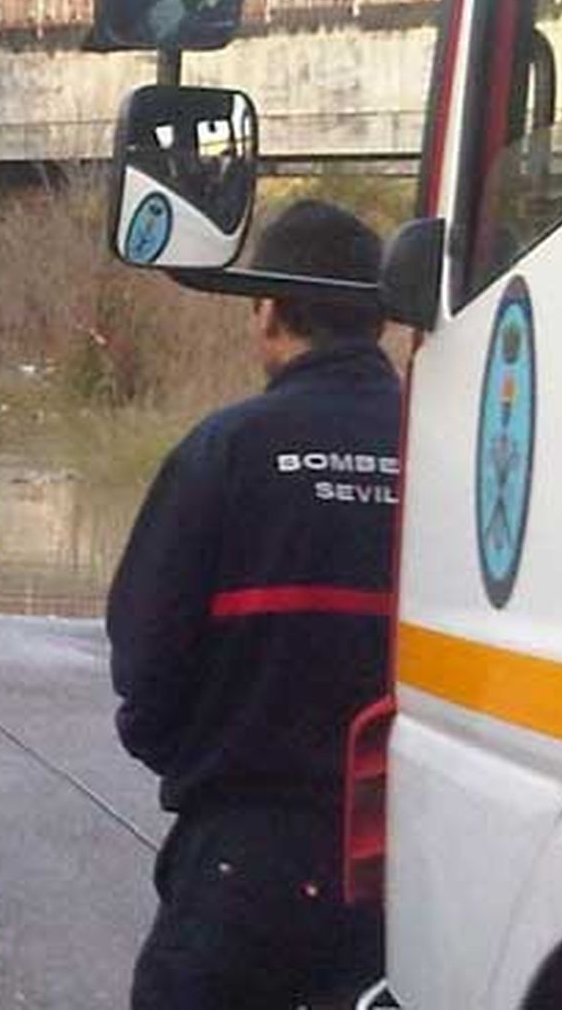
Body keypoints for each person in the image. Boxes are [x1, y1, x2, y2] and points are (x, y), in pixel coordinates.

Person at [109, 201, 401, 1009]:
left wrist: (186, 754)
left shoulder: (228, 449)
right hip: (420, 858)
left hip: (249, 847)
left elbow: (146, 650)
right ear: (377, 318)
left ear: (269, 311)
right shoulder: (450, 446)